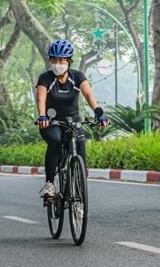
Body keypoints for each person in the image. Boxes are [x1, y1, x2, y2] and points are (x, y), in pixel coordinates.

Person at [36, 39, 108, 199]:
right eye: (54, 59)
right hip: (51, 122)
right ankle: (49, 184)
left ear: (69, 61)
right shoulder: (45, 78)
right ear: (50, 60)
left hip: (74, 122)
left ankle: (76, 187)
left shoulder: (77, 76)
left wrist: (98, 112)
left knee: (81, 160)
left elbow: (88, 94)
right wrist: (42, 116)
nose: (57, 63)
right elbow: (41, 98)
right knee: (55, 142)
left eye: (61, 60)